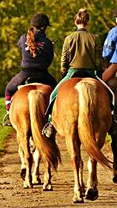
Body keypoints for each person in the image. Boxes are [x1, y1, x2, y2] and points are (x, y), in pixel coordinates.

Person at [42, 8, 105, 138]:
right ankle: (112, 119)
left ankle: (49, 123)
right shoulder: (95, 38)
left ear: (75, 22)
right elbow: (99, 59)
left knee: (53, 95)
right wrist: (99, 71)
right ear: (87, 22)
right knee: (110, 95)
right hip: (90, 73)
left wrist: (64, 72)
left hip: (73, 72)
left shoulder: (69, 38)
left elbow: (64, 58)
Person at [2, 13, 57, 126]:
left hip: (25, 74)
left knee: (8, 89)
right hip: (43, 75)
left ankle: (8, 113)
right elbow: (49, 60)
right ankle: (53, 118)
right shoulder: (47, 42)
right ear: (43, 27)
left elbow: (21, 48)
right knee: (57, 91)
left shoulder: (23, 38)